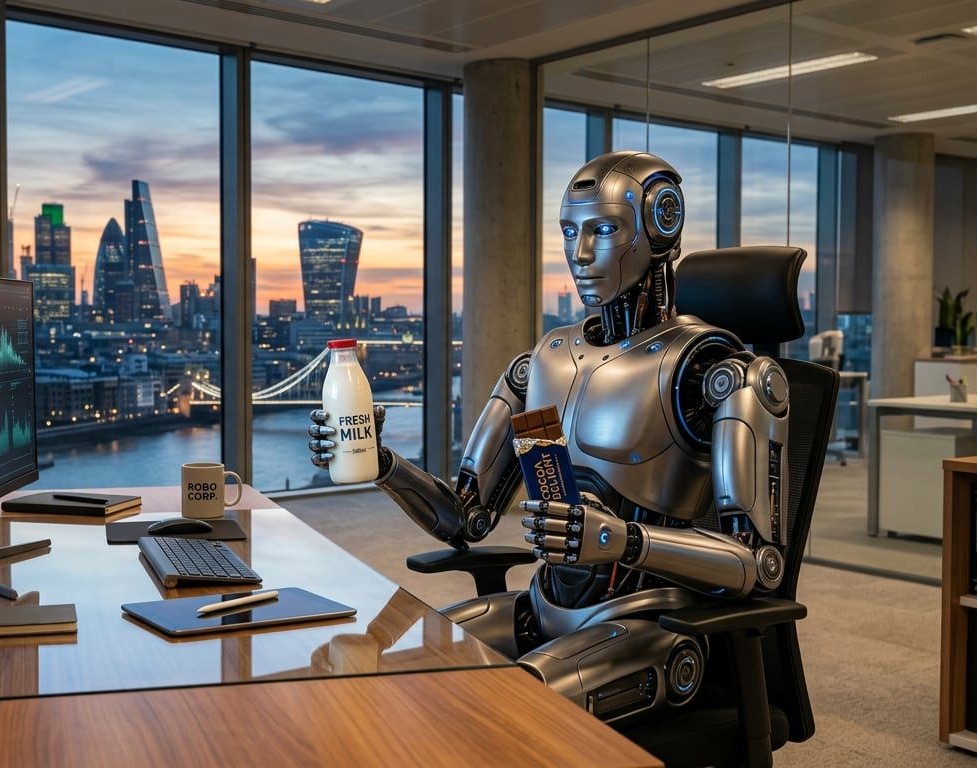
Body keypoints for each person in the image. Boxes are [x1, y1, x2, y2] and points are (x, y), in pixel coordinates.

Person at [308, 151, 793, 723]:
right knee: (393, 668)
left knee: (503, 714)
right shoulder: (545, 363)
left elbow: (757, 565)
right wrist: (383, 463)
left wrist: (621, 540)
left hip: (650, 624)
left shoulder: (712, 371)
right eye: (570, 231)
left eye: (603, 230)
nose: (579, 254)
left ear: (660, 226)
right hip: (541, 607)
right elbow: (467, 519)